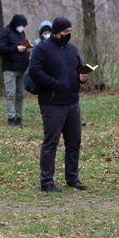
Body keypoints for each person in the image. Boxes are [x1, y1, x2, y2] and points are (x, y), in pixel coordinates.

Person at [27, 17, 88, 193]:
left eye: (70, 32)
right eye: (65, 32)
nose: (68, 35)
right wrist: (54, 83)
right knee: (51, 143)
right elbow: (34, 70)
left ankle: (72, 178)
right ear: (57, 32)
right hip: (52, 103)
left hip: (72, 102)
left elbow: (78, 68)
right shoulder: (42, 49)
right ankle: (46, 181)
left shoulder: (72, 49)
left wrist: (81, 77)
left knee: (74, 142)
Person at [0, 13, 31, 126]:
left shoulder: (22, 34)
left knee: (20, 94)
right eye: (21, 25)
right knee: (10, 94)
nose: (22, 27)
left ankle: (18, 116)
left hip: (21, 68)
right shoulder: (5, 33)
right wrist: (16, 49)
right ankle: (11, 117)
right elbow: (1, 49)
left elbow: (22, 47)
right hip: (9, 68)